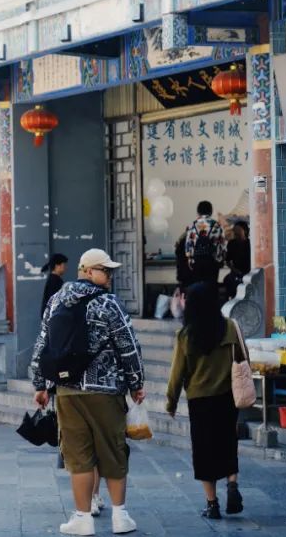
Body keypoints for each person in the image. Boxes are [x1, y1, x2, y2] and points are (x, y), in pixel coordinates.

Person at [31, 248, 146, 536]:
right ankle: (120, 516)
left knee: (78, 456)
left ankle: (83, 518)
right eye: (105, 270)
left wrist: (40, 384)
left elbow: (42, 344)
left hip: (68, 391)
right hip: (105, 391)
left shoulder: (57, 300)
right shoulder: (109, 303)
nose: (109, 276)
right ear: (87, 270)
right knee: (113, 451)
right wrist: (136, 382)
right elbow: (128, 345)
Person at [164, 282, 244, 519]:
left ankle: (212, 504)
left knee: (204, 450)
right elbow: (241, 357)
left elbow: (177, 372)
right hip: (227, 396)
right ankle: (232, 482)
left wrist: (171, 402)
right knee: (228, 441)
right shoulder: (230, 327)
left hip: (200, 399)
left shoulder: (186, 335)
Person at [183, 201, 226, 287]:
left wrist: (190, 259)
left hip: (197, 262)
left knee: (197, 288)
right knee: (211, 287)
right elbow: (222, 245)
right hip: (212, 262)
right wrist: (220, 259)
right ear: (211, 212)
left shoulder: (192, 226)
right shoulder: (216, 225)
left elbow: (188, 245)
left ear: (198, 212)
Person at [223, 221, 251, 299]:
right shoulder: (231, 243)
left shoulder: (250, 243)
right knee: (228, 281)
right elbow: (228, 261)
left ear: (245, 231)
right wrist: (235, 270)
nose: (235, 232)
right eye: (235, 230)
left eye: (238, 230)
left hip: (248, 272)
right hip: (236, 272)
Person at [41, 254, 69, 319]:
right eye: (64, 265)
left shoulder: (54, 279)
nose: (66, 268)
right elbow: (55, 302)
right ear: (57, 266)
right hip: (52, 318)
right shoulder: (54, 281)